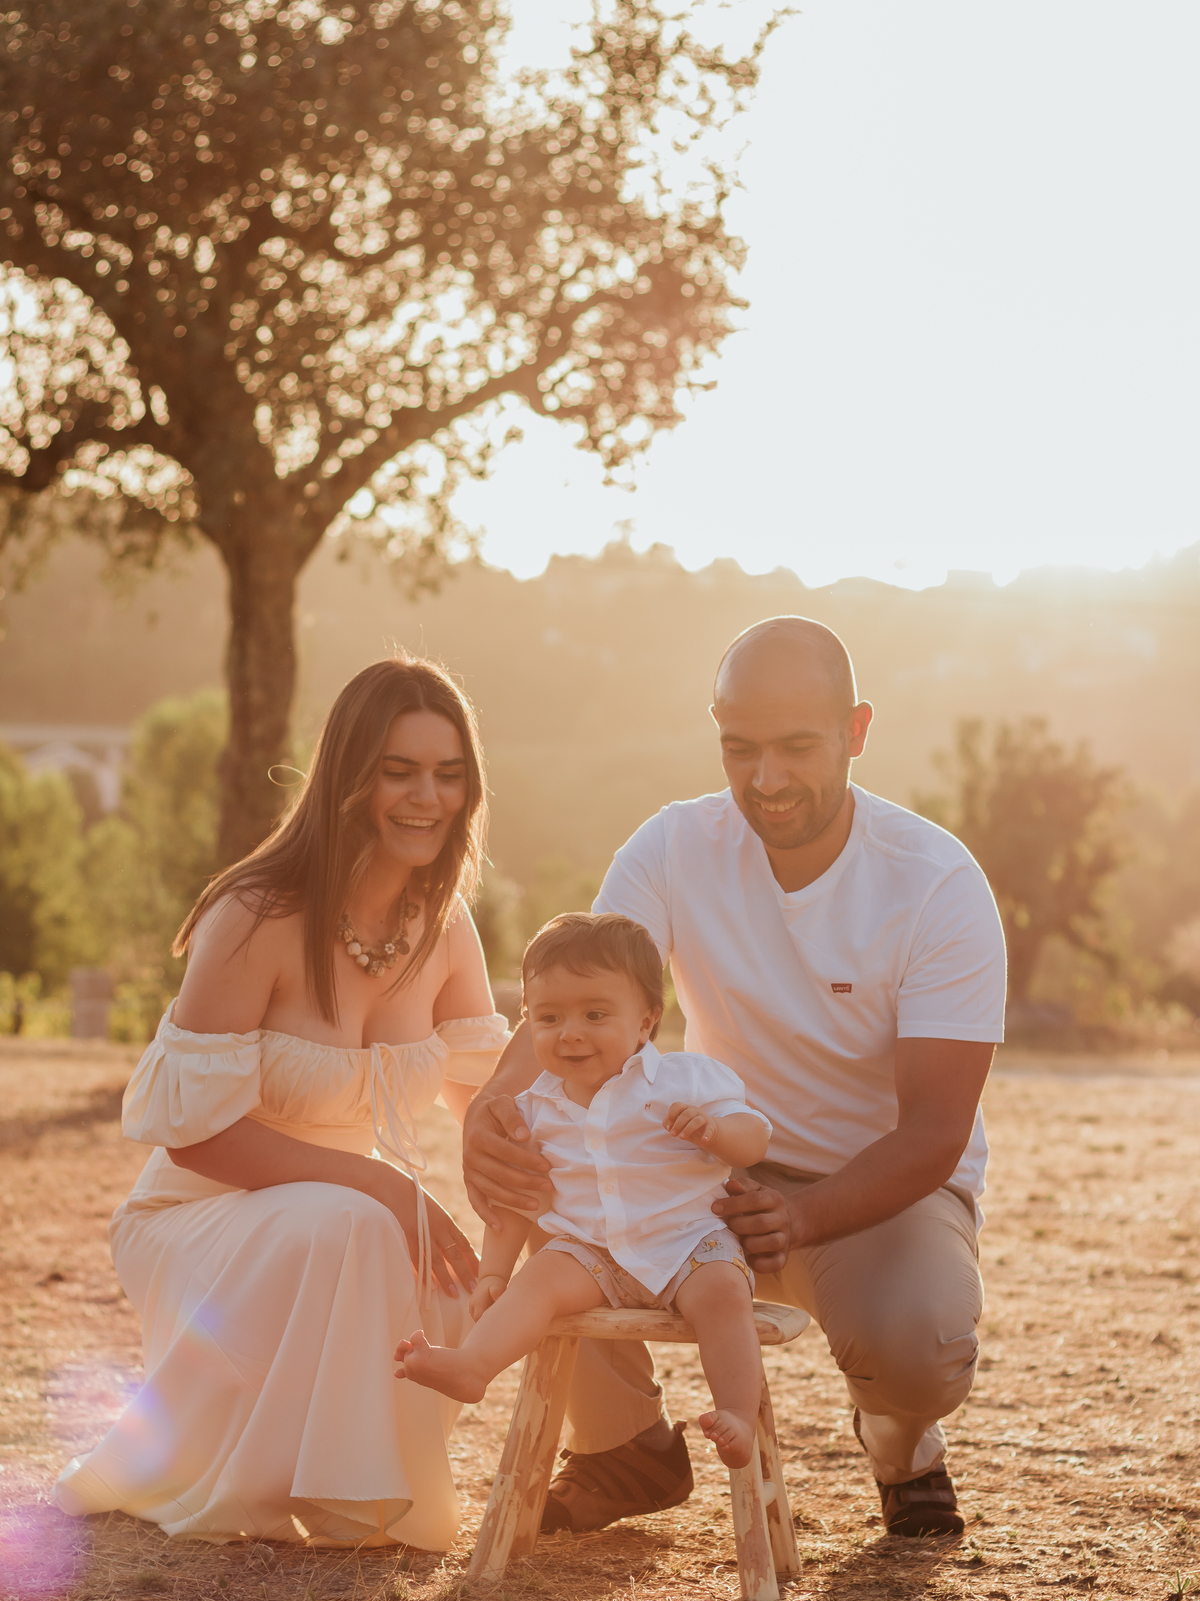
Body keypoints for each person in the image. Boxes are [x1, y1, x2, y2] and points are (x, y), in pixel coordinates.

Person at [462, 616, 1007, 1538]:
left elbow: (932, 1134)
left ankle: (898, 1437)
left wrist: (803, 1216)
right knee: (565, 1158)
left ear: (857, 732)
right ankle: (625, 1448)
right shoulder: (673, 848)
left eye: (797, 747)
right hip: (711, 1174)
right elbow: (575, 1007)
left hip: (875, 1188)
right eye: (739, 748)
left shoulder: (936, 884)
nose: (767, 779)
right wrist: (490, 1111)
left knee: (917, 1350)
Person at [54, 656, 510, 1549]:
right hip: (198, 1216)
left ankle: (353, 1490)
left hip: (337, 1217)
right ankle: (282, 1483)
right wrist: (384, 1186)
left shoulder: (448, 925)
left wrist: (568, 1192)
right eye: (399, 770)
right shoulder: (254, 915)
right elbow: (197, 1141)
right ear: (348, 776)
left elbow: (483, 1102)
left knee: (436, 1270)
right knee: (356, 1224)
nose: (429, 796)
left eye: (449, 774)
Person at [395, 912, 772, 1467]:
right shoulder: (533, 1109)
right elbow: (515, 1201)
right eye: (549, 1017)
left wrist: (715, 1131)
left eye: (595, 1014)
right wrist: (496, 1272)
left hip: (689, 1244)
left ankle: (737, 1411)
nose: (570, 1032)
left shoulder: (687, 1079)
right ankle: (473, 1365)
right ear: (527, 1020)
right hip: (591, 1253)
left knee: (723, 1294)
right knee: (540, 1278)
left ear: (646, 1022)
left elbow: (756, 1137)